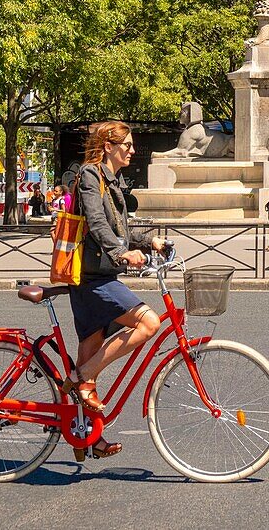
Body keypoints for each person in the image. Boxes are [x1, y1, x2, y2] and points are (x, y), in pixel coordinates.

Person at [62, 120, 165, 459]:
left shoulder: (113, 181)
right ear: (108, 146)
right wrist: (121, 252)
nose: (133, 151)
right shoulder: (92, 175)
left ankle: (87, 437)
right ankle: (82, 375)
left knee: (86, 370)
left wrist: (150, 241)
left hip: (99, 276)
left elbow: (120, 229)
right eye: (127, 145)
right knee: (149, 323)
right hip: (93, 279)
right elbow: (96, 223)